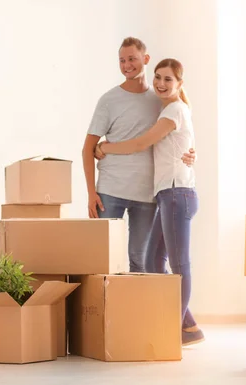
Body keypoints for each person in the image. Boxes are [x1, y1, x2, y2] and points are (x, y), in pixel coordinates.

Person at [94, 58, 204, 346]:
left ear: (180, 84)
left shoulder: (174, 110)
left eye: (168, 79)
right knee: (152, 261)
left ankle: (170, 329)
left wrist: (105, 147)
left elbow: (142, 143)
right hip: (168, 195)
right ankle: (189, 328)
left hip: (177, 194)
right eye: (157, 77)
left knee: (179, 264)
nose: (160, 83)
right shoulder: (169, 110)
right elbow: (182, 147)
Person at [82, 37, 196, 273]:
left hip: (147, 195)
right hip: (110, 191)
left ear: (145, 59)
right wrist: (91, 193)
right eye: (121, 61)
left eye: (132, 59)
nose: (126, 65)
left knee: (141, 261)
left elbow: (177, 133)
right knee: (102, 260)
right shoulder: (108, 101)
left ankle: (140, 310)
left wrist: (191, 155)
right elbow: (87, 148)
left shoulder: (161, 98)